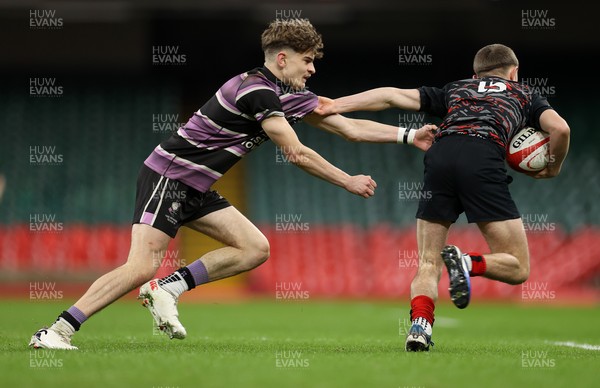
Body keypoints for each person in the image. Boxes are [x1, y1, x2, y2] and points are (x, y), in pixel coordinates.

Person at [29, 18, 436, 349]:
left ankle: (167, 288)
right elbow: (295, 152)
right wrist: (347, 180)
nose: (312, 69)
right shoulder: (256, 91)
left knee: (254, 248)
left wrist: (406, 135)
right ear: (282, 59)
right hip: (169, 175)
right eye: (307, 61)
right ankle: (56, 331)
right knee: (140, 265)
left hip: (197, 185)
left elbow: (346, 126)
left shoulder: (283, 94)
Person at [316, 43, 570, 351]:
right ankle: (467, 262)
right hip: (483, 157)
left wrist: (335, 105)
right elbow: (561, 129)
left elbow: (390, 94)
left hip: (441, 155)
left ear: (474, 74)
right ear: (514, 72)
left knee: (427, 262)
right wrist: (552, 168)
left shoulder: (456, 89)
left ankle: (419, 328)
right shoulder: (526, 94)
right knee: (517, 267)